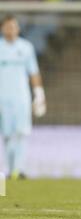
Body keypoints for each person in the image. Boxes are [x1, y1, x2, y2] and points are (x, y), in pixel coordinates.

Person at [0, 15, 46, 179]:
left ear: (18, 29)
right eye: (7, 27)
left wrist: (39, 95)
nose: (11, 30)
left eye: (13, 27)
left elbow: (33, 72)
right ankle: (10, 168)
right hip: (3, 98)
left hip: (21, 97)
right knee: (7, 134)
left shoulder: (26, 48)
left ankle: (18, 170)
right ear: (2, 29)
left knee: (21, 132)